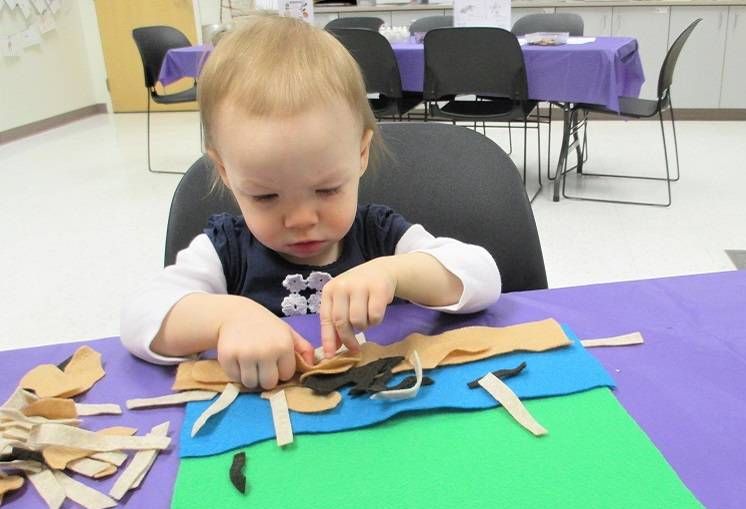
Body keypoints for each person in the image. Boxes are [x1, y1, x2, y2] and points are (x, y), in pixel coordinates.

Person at [121, 16, 501, 391]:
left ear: (361, 154)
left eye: (327, 190)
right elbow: (139, 319)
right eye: (266, 196)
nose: (302, 219)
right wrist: (228, 318)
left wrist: (395, 273)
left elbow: (484, 278)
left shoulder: (380, 235)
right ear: (224, 171)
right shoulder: (225, 251)